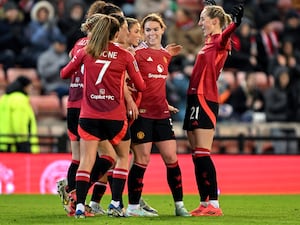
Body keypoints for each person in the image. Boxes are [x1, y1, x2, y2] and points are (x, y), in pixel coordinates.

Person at [60, 14, 146, 218]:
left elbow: (64, 73)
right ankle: (116, 203)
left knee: (86, 160)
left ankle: (79, 206)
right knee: (123, 157)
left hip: (89, 116)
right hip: (115, 118)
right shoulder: (126, 55)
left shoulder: (85, 51)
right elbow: (141, 85)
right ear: (116, 34)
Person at [182, 3, 244, 216]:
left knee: (202, 152)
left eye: (203, 19)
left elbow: (227, 34)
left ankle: (214, 204)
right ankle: (204, 202)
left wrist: (235, 22)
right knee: (196, 155)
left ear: (214, 21)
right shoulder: (209, 41)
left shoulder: (219, 40)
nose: (199, 23)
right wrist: (211, 5)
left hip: (205, 99)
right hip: (193, 98)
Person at [126, 13, 190, 217]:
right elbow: (125, 82)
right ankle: (133, 207)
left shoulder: (165, 55)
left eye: (155, 29)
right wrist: (130, 103)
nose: (151, 33)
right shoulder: (136, 54)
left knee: (172, 157)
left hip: (161, 114)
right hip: (142, 115)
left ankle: (179, 205)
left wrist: (165, 103)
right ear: (143, 33)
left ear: (162, 29)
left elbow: (156, 85)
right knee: (142, 160)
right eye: (147, 30)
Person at [0, 76, 39, 153]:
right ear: (25, 87)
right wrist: (23, 144)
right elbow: (19, 123)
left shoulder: (4, 98)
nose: (31, 90)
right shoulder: (20, 99)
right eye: (30, 87)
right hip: (15, 147)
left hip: (4, 143)